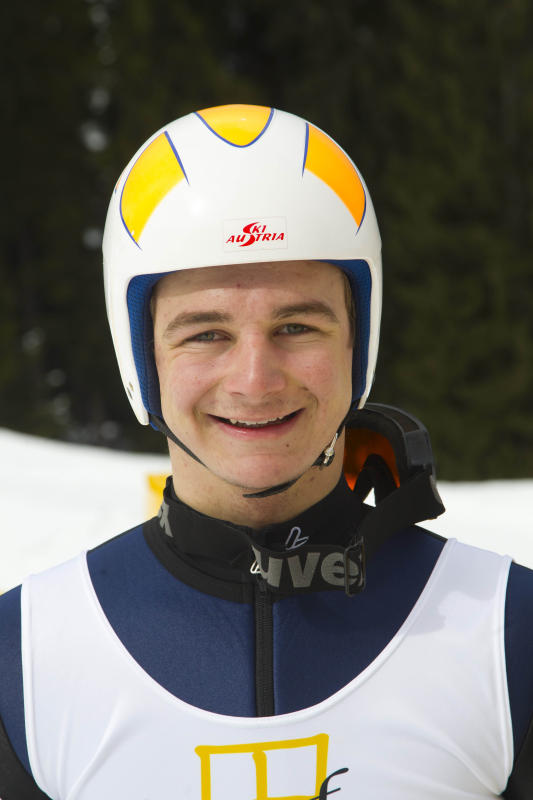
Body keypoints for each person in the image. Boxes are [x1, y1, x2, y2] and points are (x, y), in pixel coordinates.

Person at [0, 104, 531, 799]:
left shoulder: (509, 634)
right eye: (205, 334)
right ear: (142, 359)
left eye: (296, 326)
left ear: (357, 344)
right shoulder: (23, 660)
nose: (255, 381)